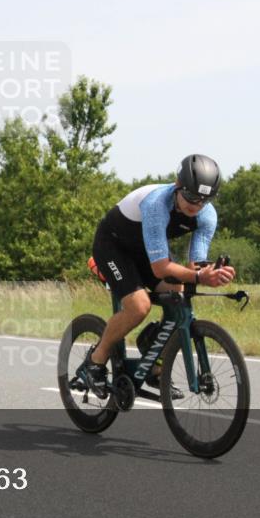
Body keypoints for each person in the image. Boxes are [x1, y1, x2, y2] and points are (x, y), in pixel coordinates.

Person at [79, 154, 237, 398]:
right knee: (138, 306)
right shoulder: (156, 205)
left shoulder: (207, 216)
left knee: (178, 292)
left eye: (204, 200)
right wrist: (198, 277)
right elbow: (161, 269)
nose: (196, 205)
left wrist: (210, 273)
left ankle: (154, 361)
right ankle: (95, 361)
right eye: (192, 196)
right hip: (113, 247)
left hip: (144, 251)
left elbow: (195, 266)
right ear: (177, 185)